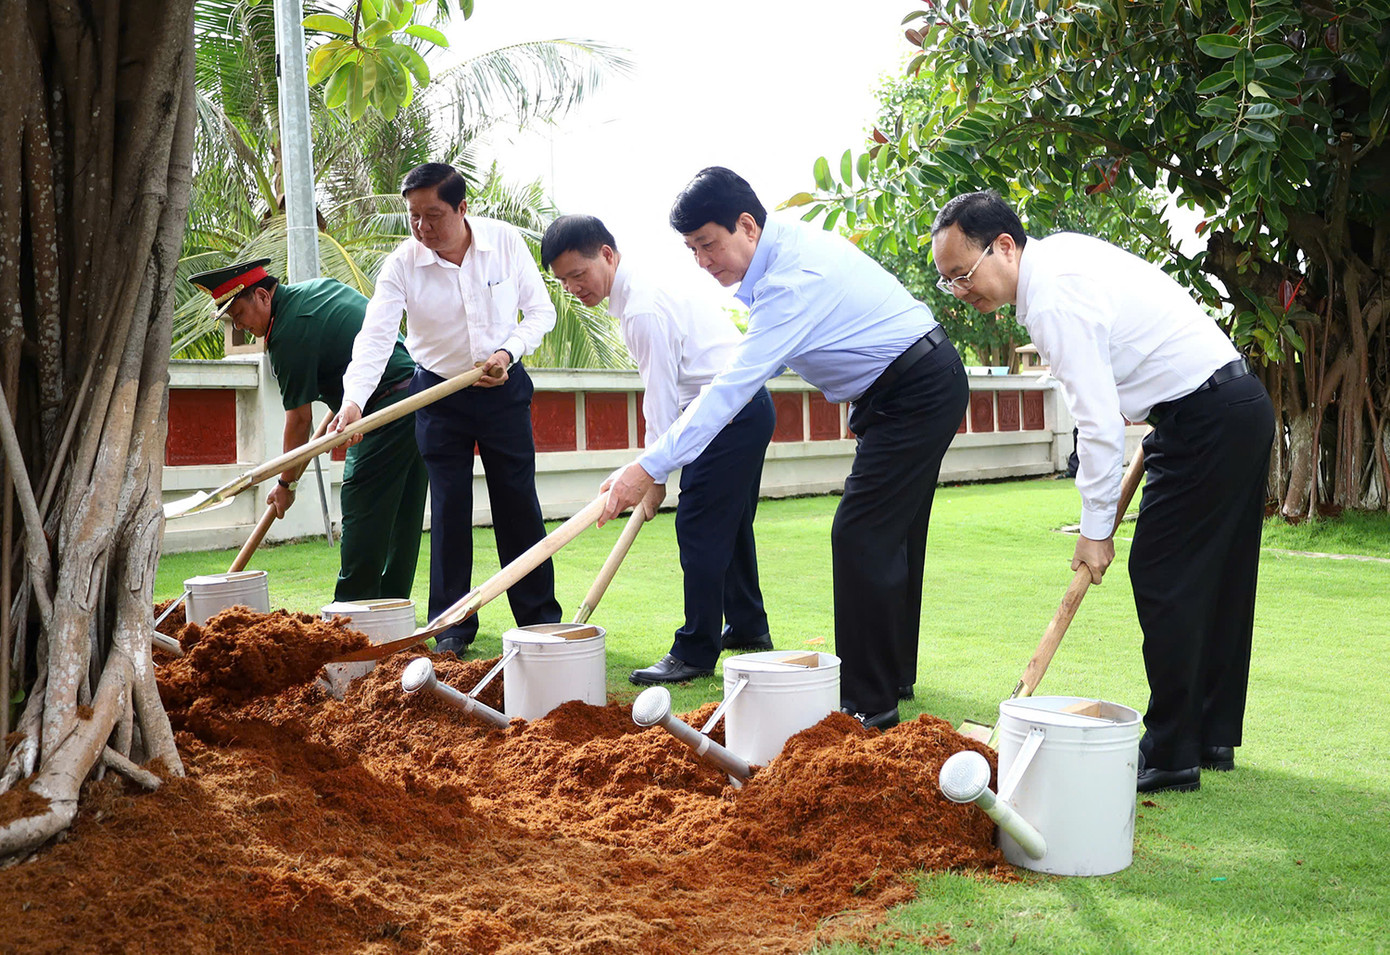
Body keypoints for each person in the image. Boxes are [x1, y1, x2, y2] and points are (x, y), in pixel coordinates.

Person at [930, 190, 1274, 794]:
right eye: (949, 283)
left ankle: (1169, 754)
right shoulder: (1060, 261)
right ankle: (1209, 735)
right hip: (1229, 406)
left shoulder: (1053, 296)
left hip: (1208, 417)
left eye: (962, 274)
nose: (961, 292)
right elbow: (1126, 391)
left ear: (1003, 246)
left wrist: (1095, 533)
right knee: (1217, 579)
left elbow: (1095, 422)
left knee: (1163, 574)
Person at [601, 167, 970, 729]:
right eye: (691, 249)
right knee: (888, 536)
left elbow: (728, 390)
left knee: (861, 533)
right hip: (907, 386)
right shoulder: (780, 259)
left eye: (708, 244)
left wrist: (647, 466)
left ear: (746, 226)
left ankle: (867, 704)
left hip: (915, 388)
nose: (702, 261)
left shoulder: (791, 280)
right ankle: (889, 679)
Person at [333, 163, 562, 655]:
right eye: (413, 216)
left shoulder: (503, 242)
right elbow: (375, 337)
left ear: (462, 208)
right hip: (437, 396)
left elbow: (542, 312)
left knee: (518, 505)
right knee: (450, 509)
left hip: (503, 387)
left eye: (433, 215)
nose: (422, 228)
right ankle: (453, 628)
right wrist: (353, 402)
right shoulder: (401, 264)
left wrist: (508, 353)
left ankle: (540, 621)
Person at [540, 214, 777, 685]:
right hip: (740, 410)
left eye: (578, 274)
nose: (573, 288)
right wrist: (654, 471)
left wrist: (652, 475)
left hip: (728, 416)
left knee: (700, 527)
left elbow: (662, 397)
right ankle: (748, 627)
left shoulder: (643, 306)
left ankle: (694, 651)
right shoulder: (638, 291)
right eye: (563, 281)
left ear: (606, 255)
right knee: (728, 528)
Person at [189, 260, 428, 602]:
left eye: (238, 312)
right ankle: (391, 610)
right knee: (402, 513)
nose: (236, 323)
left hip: (385, 405)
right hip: (416, 396)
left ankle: (352, 612)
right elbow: (345, 344)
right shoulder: (310, 294)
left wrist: (286, 484)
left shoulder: (287, 332)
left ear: (261, 296)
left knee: (362, 500)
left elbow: (298, 422)